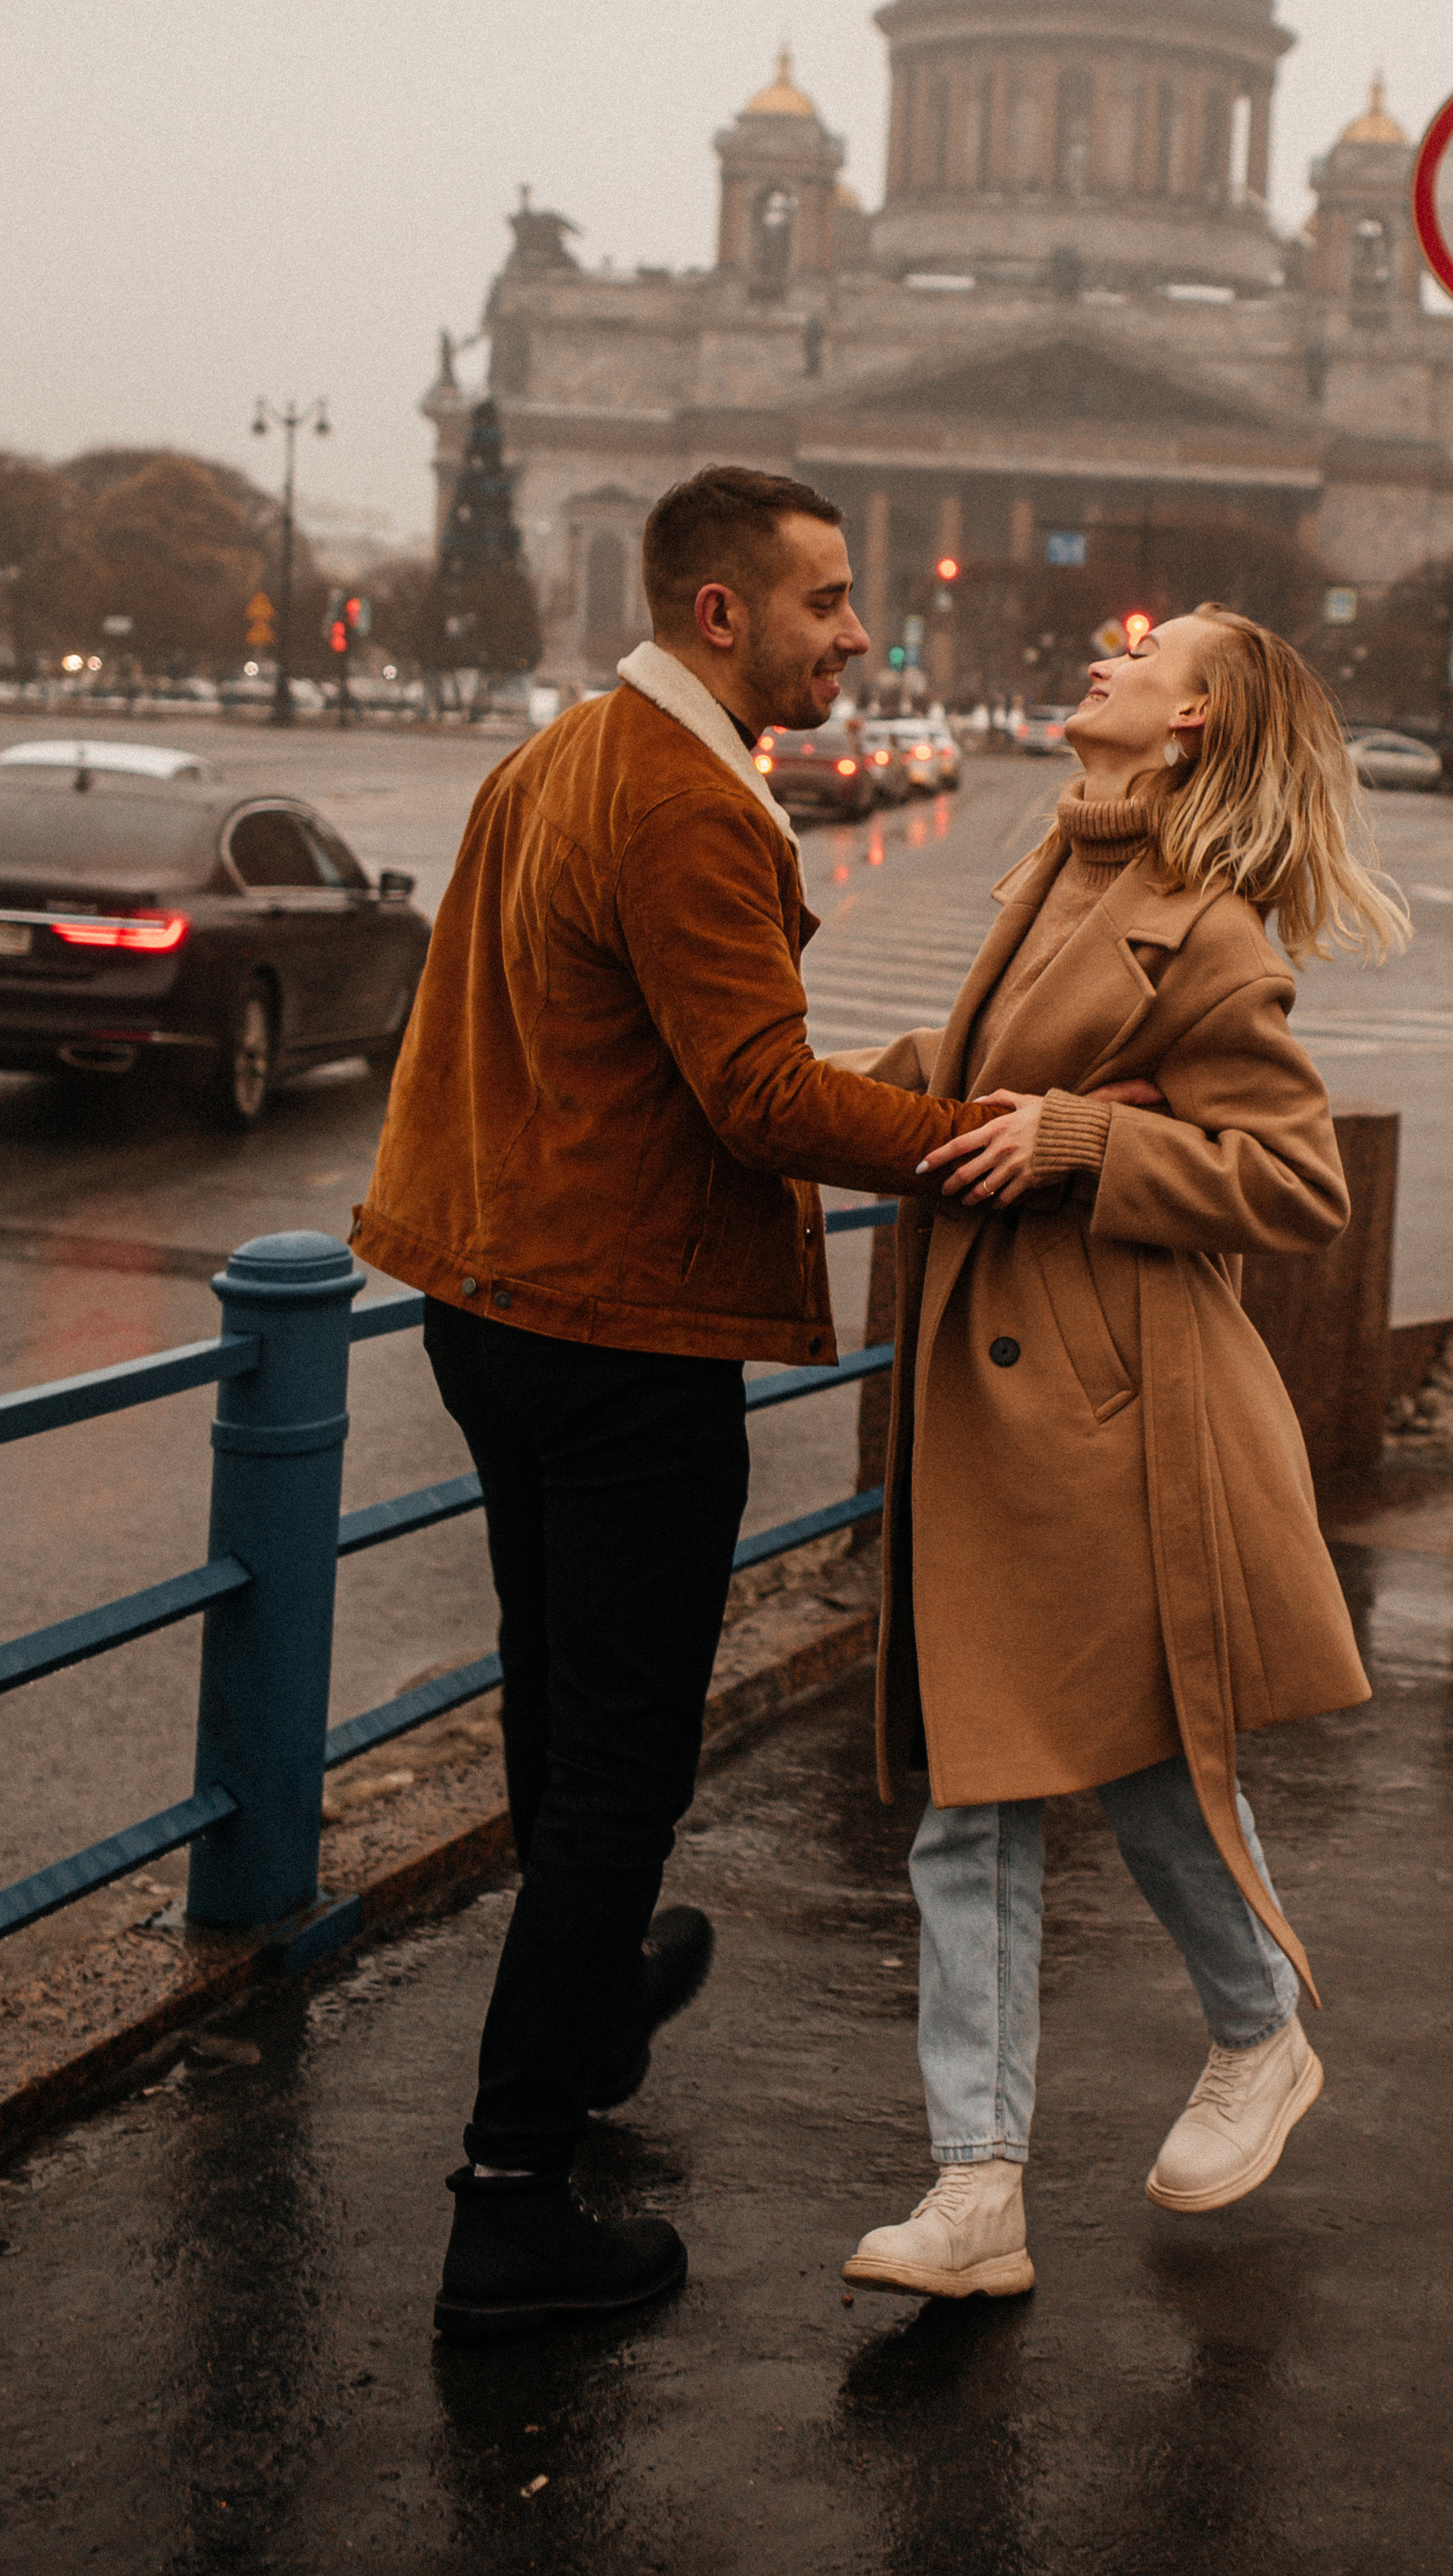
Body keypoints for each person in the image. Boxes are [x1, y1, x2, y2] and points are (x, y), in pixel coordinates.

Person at [352, 466, 993, 2344]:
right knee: (625, 1765)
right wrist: (980, 1139)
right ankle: (510, 2197)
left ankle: (598, 2000)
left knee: (560, 1712)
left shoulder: (562, 755)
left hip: (491, 1299)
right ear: (722, 615)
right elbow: (761, 1102)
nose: (855, 636)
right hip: (621, 1338)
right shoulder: (686, 804)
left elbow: (566, 1041)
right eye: (824, 604)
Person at [837, 604, 1410, 2300]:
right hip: (1007, 1406)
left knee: (1148, 1770)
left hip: (1114, 1415)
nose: (1106, 656)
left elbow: (1301, 1183)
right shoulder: (1054, 879)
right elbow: (950, 1087)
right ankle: (976, 2188)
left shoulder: (1208, 934)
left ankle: (1257, 2031)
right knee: (974, 1803)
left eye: (1149, 655)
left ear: (1193, 729)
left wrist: (1091, 1139)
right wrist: (764, 1112)